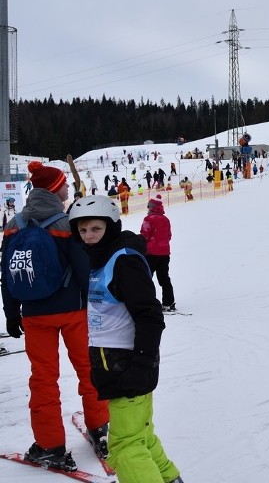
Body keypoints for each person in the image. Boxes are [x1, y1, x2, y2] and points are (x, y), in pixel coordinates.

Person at [1, 161, 109, 471]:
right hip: (73, 311)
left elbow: (8, 271)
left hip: (34, 314)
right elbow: (83, 270)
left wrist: (11, 313)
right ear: (54, 189)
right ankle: (101, 428)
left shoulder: (15, 224)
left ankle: (50, 445)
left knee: (43, 379)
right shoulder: (67, 223)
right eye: (62, 185)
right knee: (88, 368)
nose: (65, 189)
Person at [68, 195, 183, 483]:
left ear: (111, 226)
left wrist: (141, 364)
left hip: (126, 365)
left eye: (96, 229)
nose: (89, 237)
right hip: (117, 365)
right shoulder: (103, 259)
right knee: (141, 436)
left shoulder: (124, 262)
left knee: (125, 447)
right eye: (82, 231)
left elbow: (150, 316)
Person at [140, 195, 177, 312]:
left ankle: (147, 303)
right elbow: (169, 236)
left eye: (148, 206)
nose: (147, 208)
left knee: (146, 279)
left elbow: (144, 235)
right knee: (164, 278)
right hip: (164, 254)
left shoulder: (148, 219)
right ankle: (169, 303)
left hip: (150, 254)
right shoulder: (166, 219)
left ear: (151, 207)